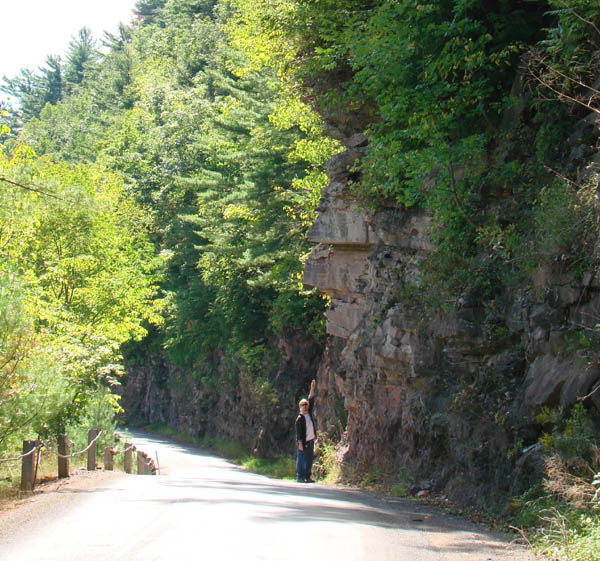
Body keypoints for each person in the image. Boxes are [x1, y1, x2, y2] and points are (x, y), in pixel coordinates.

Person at [295, 379, 316, 483]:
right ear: (300, 407)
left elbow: (311, 399)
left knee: (309, 459)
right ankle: (300, 477)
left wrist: (312, 388)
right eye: (302, 405)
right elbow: (298, 432)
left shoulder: (309, 413)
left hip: (311, 440)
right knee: (301, 459)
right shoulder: (300, 418)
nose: (305, 406)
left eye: (305, 404)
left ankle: (307, 477)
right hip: (303, 441)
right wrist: (300, 443)